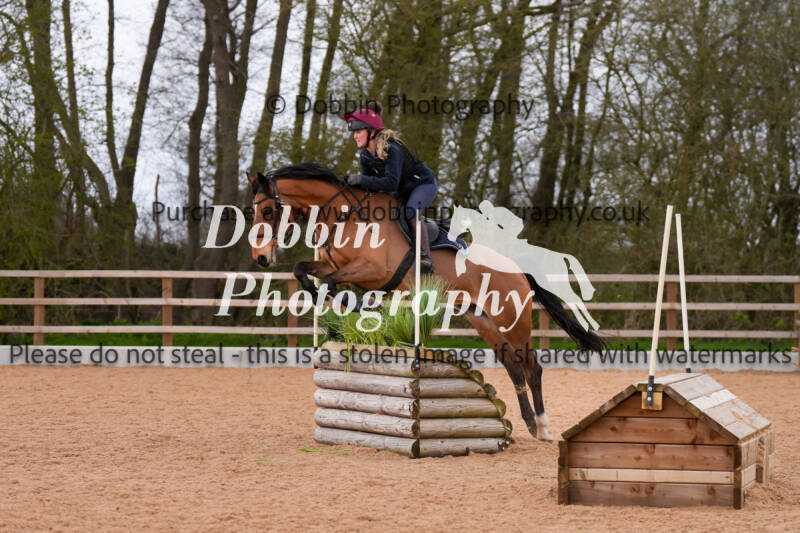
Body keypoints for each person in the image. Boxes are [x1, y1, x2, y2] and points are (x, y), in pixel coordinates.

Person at [343, 101, 438, 273]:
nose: (355, 136)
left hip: (423, 185)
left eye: (358, 131)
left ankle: (425, 257)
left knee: (410, 210)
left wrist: (361, 180)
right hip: (400, 190)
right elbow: (369, 188)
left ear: (371, 131)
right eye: (354, 133)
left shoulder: (393, 149)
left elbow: (390, 183)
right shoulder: (365, 155)